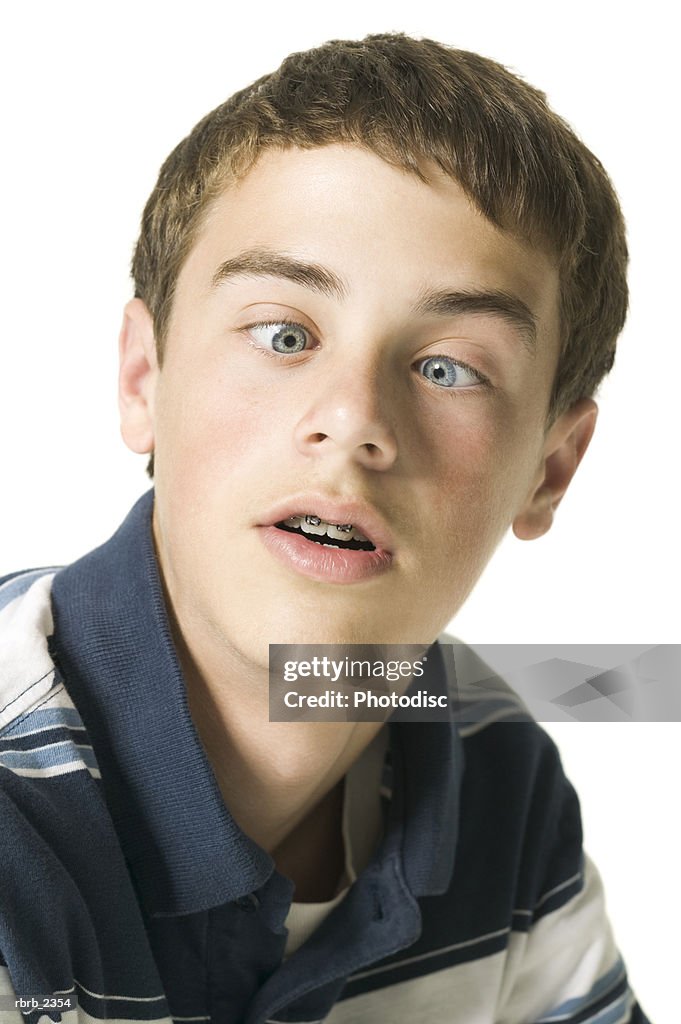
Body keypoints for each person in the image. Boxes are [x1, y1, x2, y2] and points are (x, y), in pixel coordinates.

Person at [0, 32, 647, 1024]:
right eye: (284, 333)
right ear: (143, 378)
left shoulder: (493, 768)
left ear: (551, 468)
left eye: (449, 367)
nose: (353, 420)